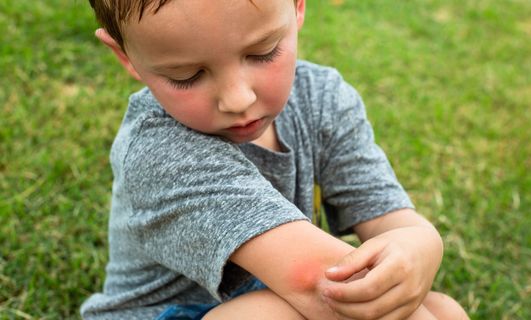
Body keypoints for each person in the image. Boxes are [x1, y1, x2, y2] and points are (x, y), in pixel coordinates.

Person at [81, 0, 469, 319]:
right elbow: (322, 287)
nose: (237, 99)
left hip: (273, 299)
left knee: (444, 311)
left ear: (297, 6)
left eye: (262, 52)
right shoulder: (160, 153)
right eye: (186, 75)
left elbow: (388, 217)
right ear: (125, 54)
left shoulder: (322, 99)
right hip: (176, 314)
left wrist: (419, 242)